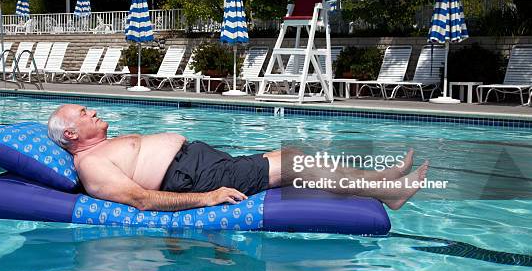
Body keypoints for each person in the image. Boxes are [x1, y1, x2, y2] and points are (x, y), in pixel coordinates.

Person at [47, 104, 429, 212]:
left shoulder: (101, 147)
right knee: (294, 161)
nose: (92, 113)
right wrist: (207, 198)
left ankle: (382, 180)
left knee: (286, 156)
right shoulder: (91, 164)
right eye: (84, 114)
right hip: (193, 178)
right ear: (71, 134)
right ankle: (387, 193)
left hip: (199, 162)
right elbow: (140, 199)